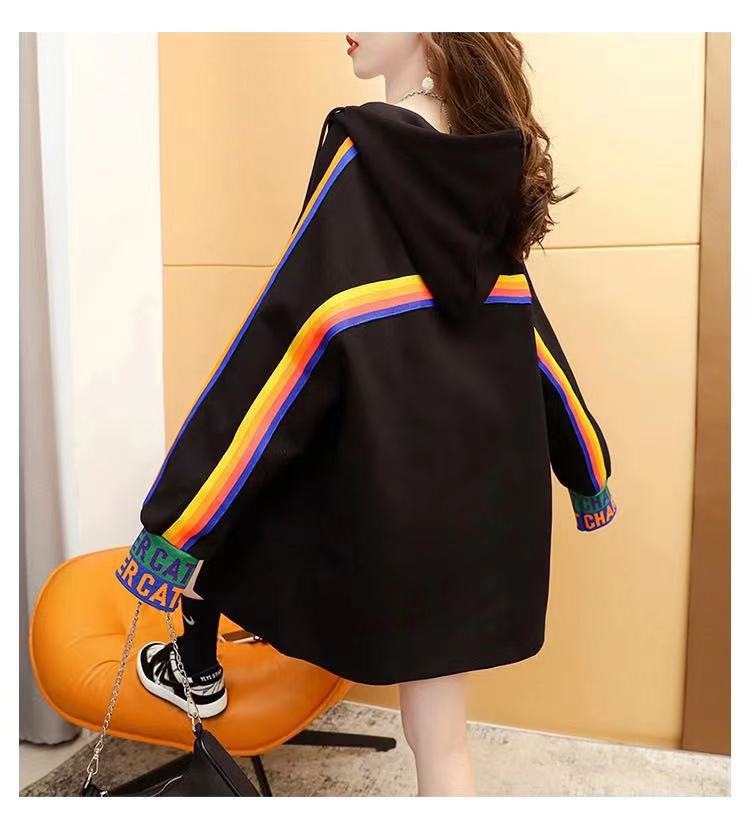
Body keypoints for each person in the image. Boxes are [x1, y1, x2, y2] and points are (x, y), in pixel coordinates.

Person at [117, 32, 616, 797]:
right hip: (481, 510)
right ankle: (200, 661)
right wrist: (587, 469)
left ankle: (196, 667)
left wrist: (174, 522)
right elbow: (533, 338)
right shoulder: (486, 163)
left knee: (237, 514)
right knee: (442, 741)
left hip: (384, 508)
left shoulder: (363, 159)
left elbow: (287, 350)